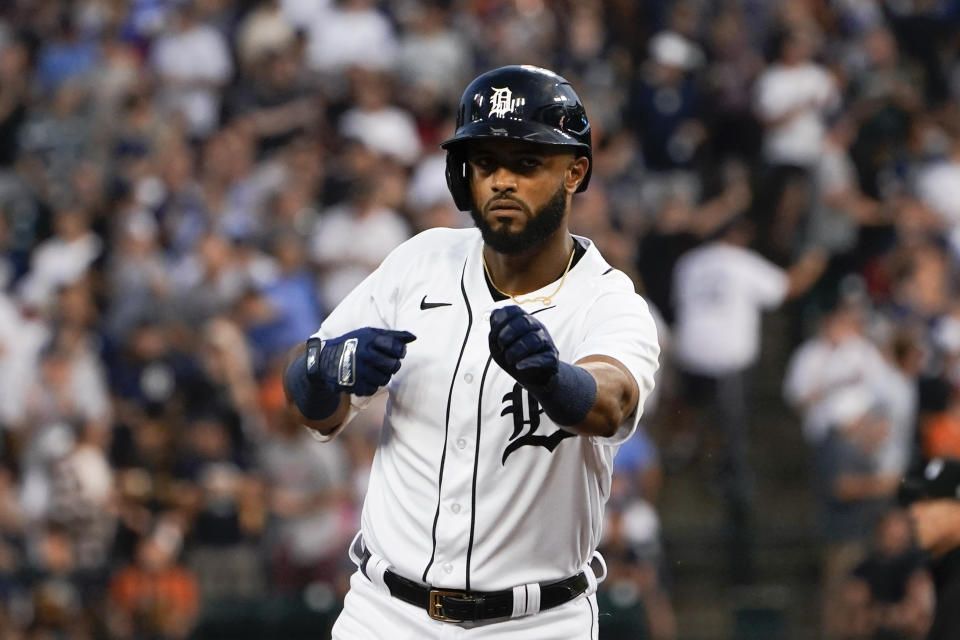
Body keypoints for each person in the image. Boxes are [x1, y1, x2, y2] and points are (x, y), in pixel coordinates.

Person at [283, 65, 660, 638]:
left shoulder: (607, 300)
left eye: (527, 163)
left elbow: (614, 402)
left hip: (535, 623)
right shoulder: (420, 261)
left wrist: (557, 380)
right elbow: (313, 402)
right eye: (486, 164)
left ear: (575, 171)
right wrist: (326, 372)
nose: (502, 181)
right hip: (386, 615)